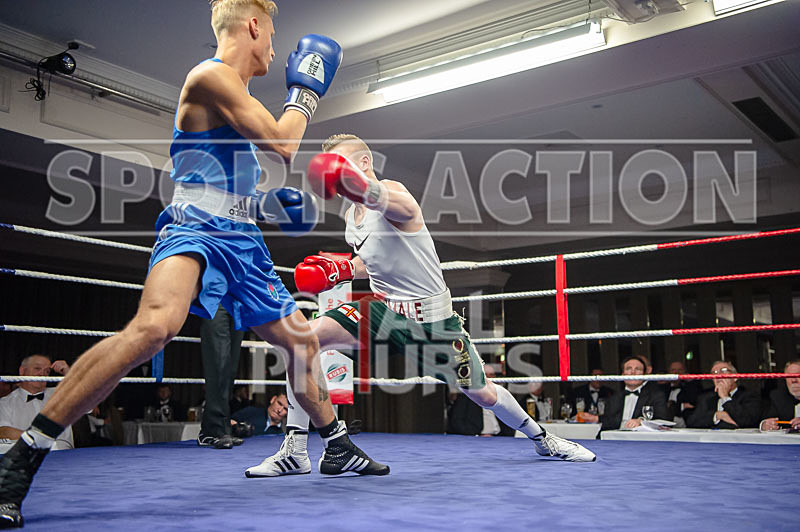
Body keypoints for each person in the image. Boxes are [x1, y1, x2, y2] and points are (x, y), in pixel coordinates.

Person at [0, 2, 385, 528]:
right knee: (156, 326)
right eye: (272, 31)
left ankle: (337, 446)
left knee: (300, 341)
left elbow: (231, 183)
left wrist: (266, 208)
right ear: (253, 25)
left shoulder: (236, 97)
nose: (276, 45)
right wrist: (306, 91)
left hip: (241, 239)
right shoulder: (211, 77)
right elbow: (282, 143)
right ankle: (20, 458)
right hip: (195, 229)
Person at [244, 134, 596, 478]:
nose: (336, 180)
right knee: (300, 340)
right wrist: (343, 269)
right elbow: (376, 260)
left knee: (483, 393)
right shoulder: (352, 217)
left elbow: (396, 206)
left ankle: (543, 439)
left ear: (363, 164)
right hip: (383, 311)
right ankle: (295, 450)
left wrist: (358, 185)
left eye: (342, 168)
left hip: (432, 323)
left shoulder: (394, 192)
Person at [0, 355, 73, 451]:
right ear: (22, 371)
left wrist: (68, 372)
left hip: (66, 456)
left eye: (47, 371)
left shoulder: (60, 394)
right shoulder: (6, 402)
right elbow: (3, 431)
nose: (42, 374)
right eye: (37, 368)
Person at [198, 305, 245, 449]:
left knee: (230, 369)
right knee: (219, 363)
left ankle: (215, 429)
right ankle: (216, 429)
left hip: (238, 298)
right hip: (215, 295)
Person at [582, 356, 668, 430]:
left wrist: (641, 421)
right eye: (628, 369)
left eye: (637, 369)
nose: (632, 372)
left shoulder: (656, 396)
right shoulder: (614, 398)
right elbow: (609, 423)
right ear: (623, 374)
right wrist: (595, 418)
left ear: (644, 375)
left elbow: (663, 421)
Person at [686, 361, 761, 429]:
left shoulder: (750, 396)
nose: (718, 375)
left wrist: (725, 397)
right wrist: (716, 416)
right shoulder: (705, 398)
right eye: (714, 373)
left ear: (735, 377)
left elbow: (747, 421)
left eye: (723, 371)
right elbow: (691, 422)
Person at [447, 366, 514, 437]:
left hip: (500, 437)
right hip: (476, 438)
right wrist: (474, 434)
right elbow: (456, 421)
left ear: (495, 377)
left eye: (491, 375)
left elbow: (510, 419)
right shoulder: (467, 396)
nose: (488, 378)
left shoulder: (501, 396)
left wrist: (506, 435)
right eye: (485, 374)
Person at [760, 360, 800, 431]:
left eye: (798, 375)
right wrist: (764, 425)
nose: (793, 380)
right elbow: (767, 419)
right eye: (789, 376)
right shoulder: (778, 397)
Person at [661, 360, 700, 425]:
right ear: (669, 372)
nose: (676, 372)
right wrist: (681, 406)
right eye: (673, 370)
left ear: (685, 372)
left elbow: (693, 405)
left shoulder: (691, 387)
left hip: (685, 422)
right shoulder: (663, 388)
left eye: (680, 370)